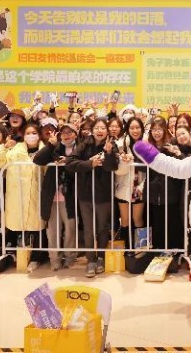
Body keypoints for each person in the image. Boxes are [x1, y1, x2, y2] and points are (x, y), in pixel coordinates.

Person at [66, 118, 119, 278]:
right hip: (85, 194)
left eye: (103, 128)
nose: (100, 131)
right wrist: (90, 164)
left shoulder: (112, 145)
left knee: (102, 227)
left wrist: (109, 153)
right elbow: (70, 163)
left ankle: (101, 257)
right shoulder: (85, 144)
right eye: (97, 128)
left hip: (104, 194)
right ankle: (90, 259)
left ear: (107, 131)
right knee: (88, 228)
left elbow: (112, 167)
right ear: (92, 130)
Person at [0, 123, 46, 271]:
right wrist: (4, 147)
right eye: (28, 133)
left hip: (37, 194)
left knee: (37, 227)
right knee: (17, 227)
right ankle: (17, 256)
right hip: (17, 195)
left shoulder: (45, 150)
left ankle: (36, 257)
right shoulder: (15, 150)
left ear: (39, 135)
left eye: (34, 133)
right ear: (23, 135)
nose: (31, 136)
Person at [33, 123, 79, 270]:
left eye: (70, 132)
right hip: (52, 196)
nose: (67, 135)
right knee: (52, 230)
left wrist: (68, 162)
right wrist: (50, 145)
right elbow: (37, 160)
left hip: (70, 196)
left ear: (75, 134)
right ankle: (54, 259)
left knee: (71, 228)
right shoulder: (55, 147)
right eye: (64, 132)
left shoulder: (80, 148)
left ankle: (70, 257)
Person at [145, 117, 186, 253]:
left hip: (171, 192)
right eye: (154, 130)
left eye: (159, 129)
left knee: (172, 224)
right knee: (157, 224)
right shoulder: (149, 147)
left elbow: (183, 164)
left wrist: (176, 153)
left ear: (165, 130)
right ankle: (159, 252)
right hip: (154, 194)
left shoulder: (171, 145)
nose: (156, 133)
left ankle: (174, 252)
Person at [113, 117, 147, 244]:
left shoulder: (147, 145)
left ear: (142, 129)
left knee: (137, 219)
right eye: (132, 128)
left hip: (139, 188)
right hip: (123, 188)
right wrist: (125, 162)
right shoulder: (120, 145)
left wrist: (142, 187)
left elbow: (150, 168)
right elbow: (118, 171)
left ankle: (140, 251)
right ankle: (127, 250)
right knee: (125, 220)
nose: (135, 130)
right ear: (127, 129)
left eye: (137, 127)